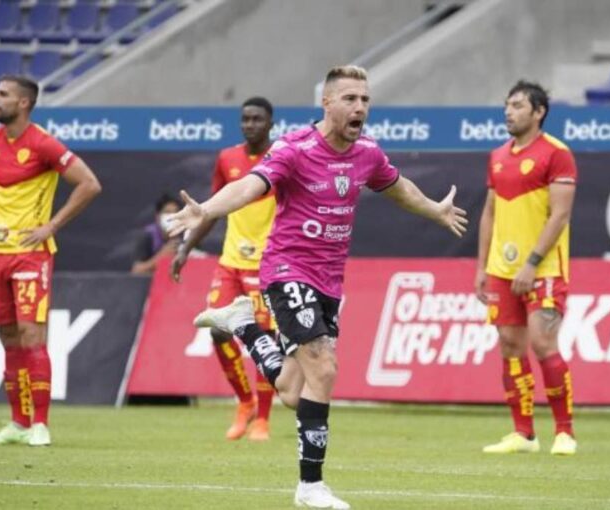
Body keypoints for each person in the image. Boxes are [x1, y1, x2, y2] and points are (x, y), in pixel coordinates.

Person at [166, 65, 468, 510]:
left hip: (328, 280)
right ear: (326, 103)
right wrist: (207, 210)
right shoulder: (295, 149)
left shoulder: (367, 153)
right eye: (350, 99)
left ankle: (244, 324)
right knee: (324, 369)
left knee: (293, 391)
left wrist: (435, 210)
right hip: (287, 269)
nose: (360, 107)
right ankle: (310, 486)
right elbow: (250, 185)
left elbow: (398, 187)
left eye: (365, 99)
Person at [0, 75, 102, 446]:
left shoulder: (43, 144)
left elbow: (89, 183)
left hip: (30, 254)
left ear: (23, 103)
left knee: (31, 336)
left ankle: (40, 424)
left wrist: (51, 226)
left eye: (3, 94)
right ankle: (18, 422)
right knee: (8, 338)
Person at [474, 80, 577, 456]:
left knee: (543, 342)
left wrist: (532, 263)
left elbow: (560, 215)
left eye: (517, 105)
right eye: (507, 105)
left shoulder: (557, 154)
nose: (509, 111)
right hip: (502, 269)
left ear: (539, 112)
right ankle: (524, 433)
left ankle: (564, 432)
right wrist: (482, 267)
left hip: (544, 267)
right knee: (509, 345)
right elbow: (489, 212)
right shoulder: (497, 155)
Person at [171, 97, 277, 441]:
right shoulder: (227, 158)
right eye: (245, 119)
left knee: (266, 338)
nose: (249, 125)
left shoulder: (281, 158)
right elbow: (211, 210)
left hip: (267, 264)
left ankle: (263, 419)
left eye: (257, 119)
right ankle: (245, 402)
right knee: (217, 330)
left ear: (271, 124)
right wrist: (186, 247)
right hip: (231, 262)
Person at [131, 193, 181, 274]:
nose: (172, 216)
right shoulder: (147, 237)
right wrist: (161, 257)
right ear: (157, 216)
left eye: (175, 212)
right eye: (167, 212)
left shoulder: (186, 236)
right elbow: (136, 271)